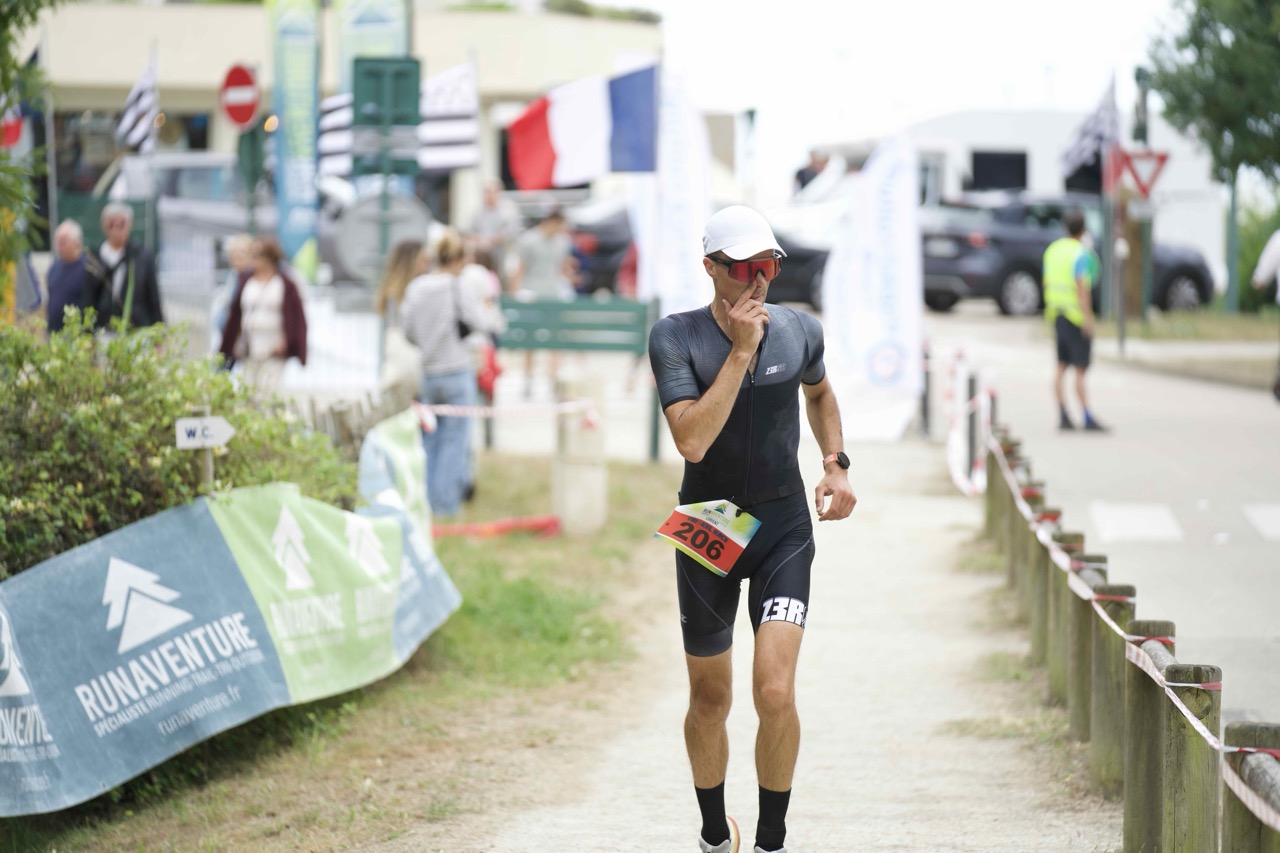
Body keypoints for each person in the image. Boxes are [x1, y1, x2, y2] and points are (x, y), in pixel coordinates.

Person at [647, 205, 857, 853]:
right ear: (711, 268)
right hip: (708, 524)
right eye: (743, 267)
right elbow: (691, 441)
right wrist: (740, 354)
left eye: (768, 264)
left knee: (775, 689)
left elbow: (819, 393)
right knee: (710, 699)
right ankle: (716, 835)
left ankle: (771, 842)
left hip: (782, 527)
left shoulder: (799, 330)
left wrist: (836, 463)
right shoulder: (675, 337)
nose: (758, 280)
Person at [401, 228, 503, 518]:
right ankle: (445, 505)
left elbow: (407, 329)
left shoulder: (417, 288)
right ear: (458, 259)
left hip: (427, 373)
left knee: (429, 440)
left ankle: (425, 501)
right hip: (456, 370)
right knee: (455, 441)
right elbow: (480, 322)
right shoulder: (460, 286)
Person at [217, 237, 308, 398]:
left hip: (273, 348)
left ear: (269, 257)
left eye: (258, 255)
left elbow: (296, 318)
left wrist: (286, 341)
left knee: (267, 393)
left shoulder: (285, 284)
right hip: (250, 347)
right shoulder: (245, 280)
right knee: (249, 391)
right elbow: (236, 314)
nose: (254, 259)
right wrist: (234, 341)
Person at [1043, 209, 1106, 432]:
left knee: (1061, 367)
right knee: (1080, 370)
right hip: (1075, 316)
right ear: (1083, 229)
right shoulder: (1080, 253)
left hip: (1056, 314)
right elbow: (1082, 288)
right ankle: (1087, 416)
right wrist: (1088, 318)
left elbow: (1046, 281)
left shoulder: (1052, 250)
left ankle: (1063, 415)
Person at [508, 207, 577, 394]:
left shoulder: (563, 241)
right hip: (532, 294)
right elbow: (519, 268)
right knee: (530, 341)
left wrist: (571, 276)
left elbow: (563, 268)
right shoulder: (528, 240)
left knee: (555, 341)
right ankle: (528, 379)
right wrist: (516, 294)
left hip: (554, 294)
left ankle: (553, 380)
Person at [85, 202, 164, 331]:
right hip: (103, 331)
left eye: (121, 224)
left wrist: (160, 331)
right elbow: (88, 299)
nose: (116, 230)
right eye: (111, 224)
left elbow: (153, 299)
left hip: (135, 330)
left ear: (130, 225)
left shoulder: (142, 257)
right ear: (104, 226)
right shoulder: (94, 259)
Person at [46, 220, 95, 335]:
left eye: (63, 242)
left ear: (77, 242)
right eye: (57, 242)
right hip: (54, 334)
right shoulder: (54, 267)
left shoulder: (88, 269)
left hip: (78, 335)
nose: (59, 247)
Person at [211, 233, 255, 351]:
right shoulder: (233, 277)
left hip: (242, 341)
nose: (237, 256)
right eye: (234, 252)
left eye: (242, 252)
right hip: (228, 337)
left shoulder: (251, 280)